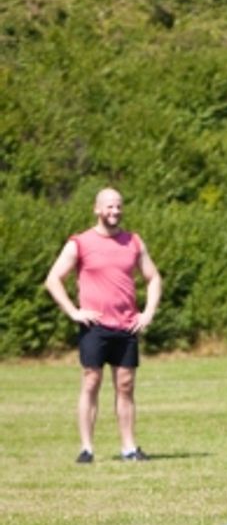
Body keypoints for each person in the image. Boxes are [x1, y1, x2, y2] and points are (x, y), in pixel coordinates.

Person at [44, 187, 163, 463]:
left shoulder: (133, 241)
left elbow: (153, 278)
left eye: (119, 206)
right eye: (109, 207)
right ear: (97, 209)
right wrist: (74, 312)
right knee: (91, 381)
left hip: (126, 326)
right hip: (95, 326)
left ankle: (129, 448)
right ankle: (87, 449)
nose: (115, 211)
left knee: (125, 385)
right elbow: (53, 279)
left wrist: (148, 313)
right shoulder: (80, 243)